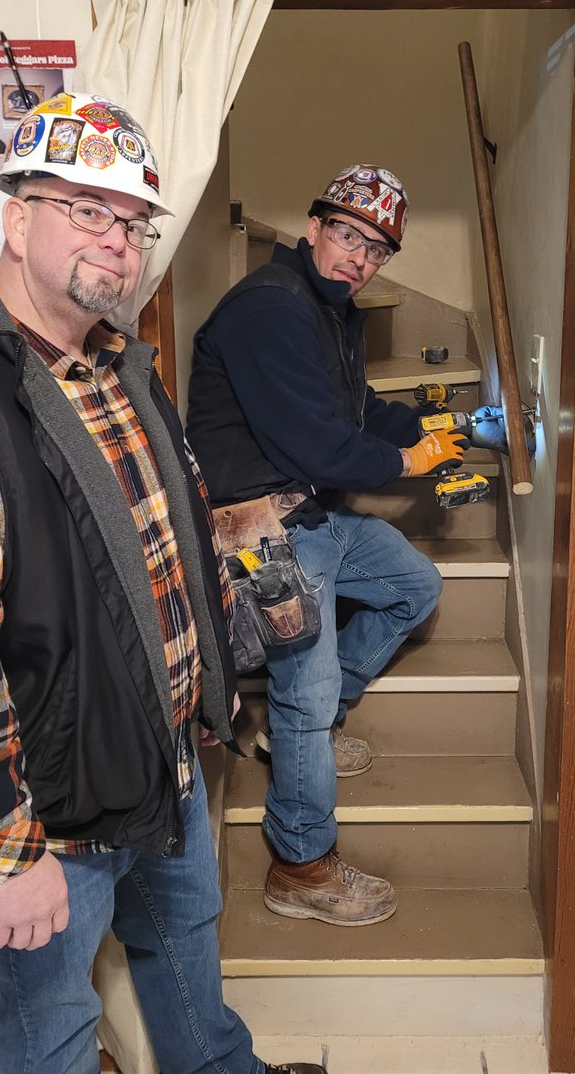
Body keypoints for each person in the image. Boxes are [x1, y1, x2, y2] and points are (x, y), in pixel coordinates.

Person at [0, 92, 324, 1074]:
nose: (120, 242)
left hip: (161, 761)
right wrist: (8, 858)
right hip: (54, 809)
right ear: (16, 220)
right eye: (88, 211)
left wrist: (238, 603)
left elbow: (149, 546)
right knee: (52, 1025)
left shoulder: (119, 365)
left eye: (133, 222)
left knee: (186, 960)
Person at [186, 165, 489, 928]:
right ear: (315, 228)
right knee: (304, 688)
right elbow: (322, 443)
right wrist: (403, 465)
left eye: (376, 249)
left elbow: (352, 409)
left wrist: (427, 431)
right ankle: (301, 865)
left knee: (412, 585)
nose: (358, 256)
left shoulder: (328, 311)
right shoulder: (271, 309)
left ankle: (309, 731)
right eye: (348, 235)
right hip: (257, 528)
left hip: (307, 513)